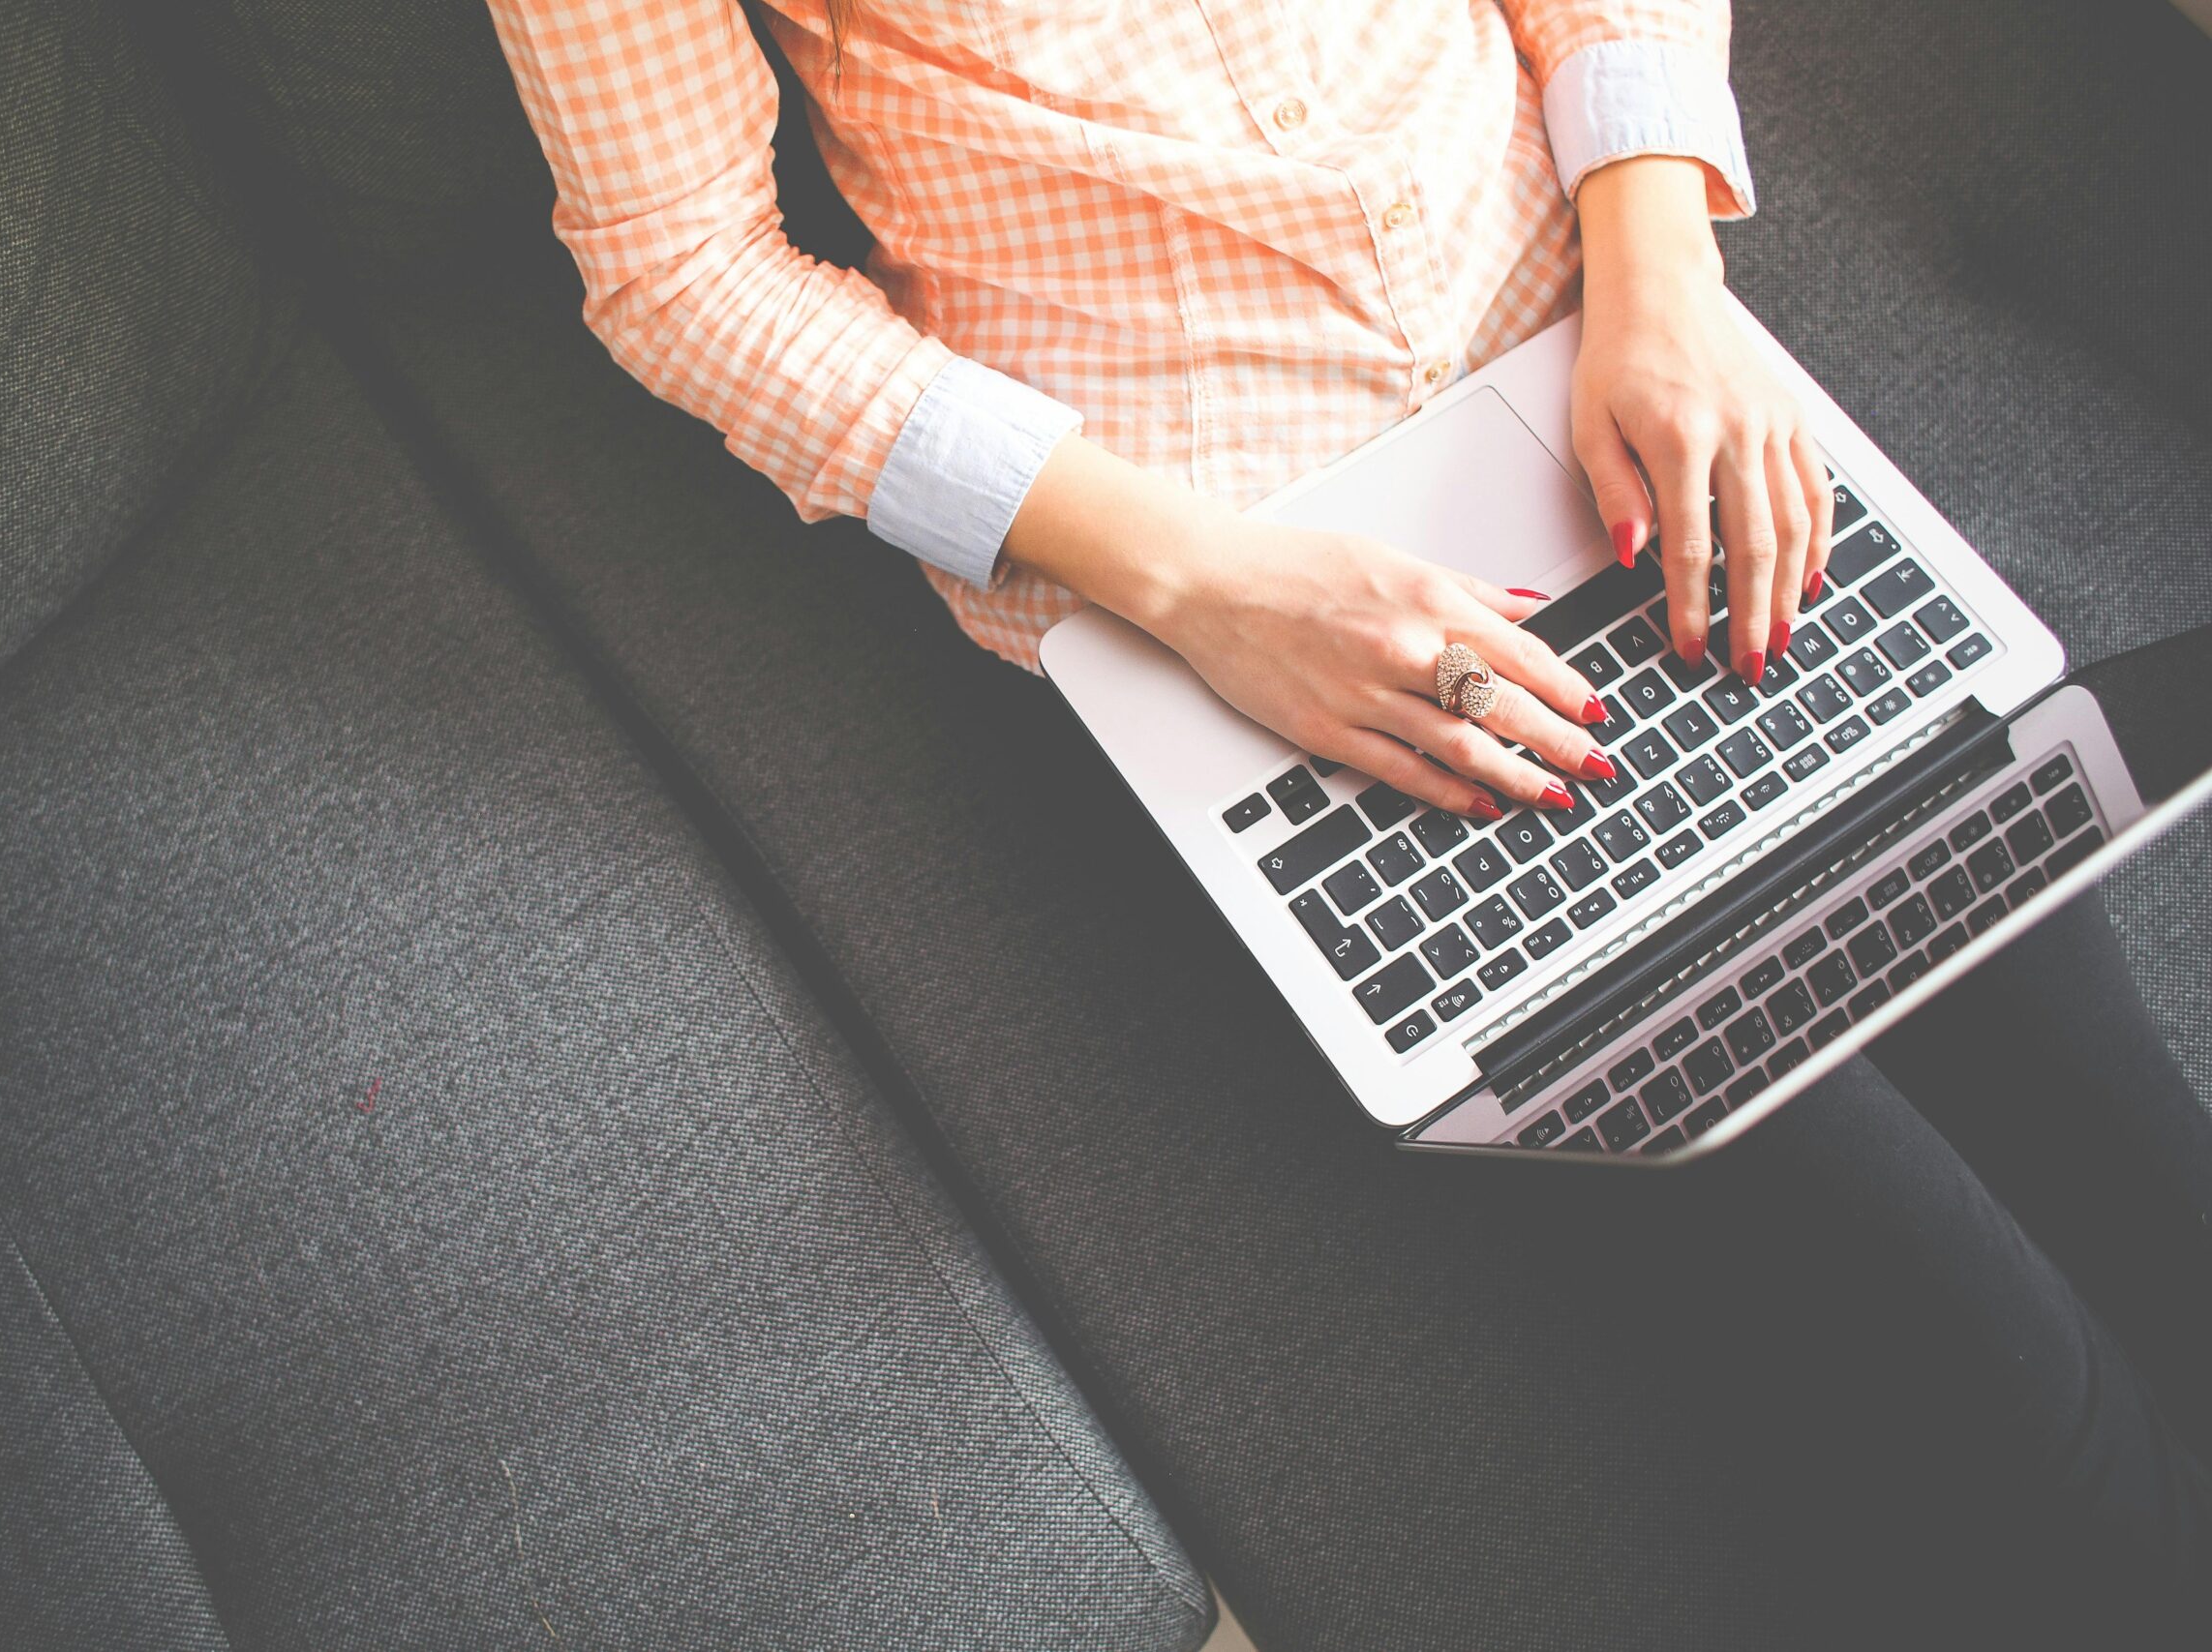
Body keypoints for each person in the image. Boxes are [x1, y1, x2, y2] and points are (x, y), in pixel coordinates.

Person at [486, 0, 2212, 1631]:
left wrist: (1667, 276)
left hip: (1606, 387)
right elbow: (682, 268)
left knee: (2136, 1158)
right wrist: (1208, 583)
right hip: (1239, 591)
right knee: (2011, 1402)